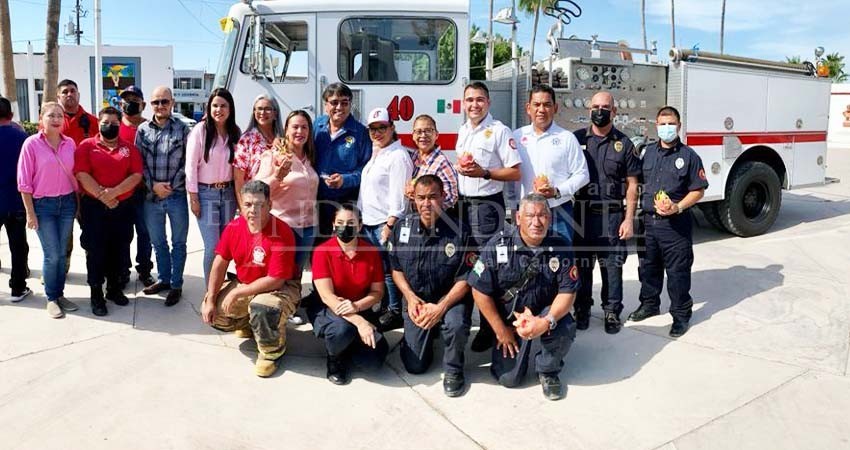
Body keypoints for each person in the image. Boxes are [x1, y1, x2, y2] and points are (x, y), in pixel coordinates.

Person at [468, 194, 579, 401]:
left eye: (542, 216)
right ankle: (508, 345)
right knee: (509, 379)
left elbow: (567, 291)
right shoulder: (499, 244)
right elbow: (479, 289)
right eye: (530, 216)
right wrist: (501, 331)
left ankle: (548, 370)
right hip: (509, 320)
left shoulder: (561, 245)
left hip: (544, 313)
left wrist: (545, 322)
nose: (536, 222)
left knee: (564, 326)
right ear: (518, 218)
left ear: (550, 218)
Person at [201, 180, 300, 378]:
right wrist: (211, 298)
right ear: (241, 205)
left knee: (263, 307)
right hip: (246, 282)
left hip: (279, 287)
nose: (252, 210)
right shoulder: (234, 227)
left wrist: (238, 292)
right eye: (247, 204)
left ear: (269, 205)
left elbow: (276, 279)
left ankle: (272, 351)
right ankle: (250, 325)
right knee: (216, 315)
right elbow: (220, 261)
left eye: (259, 205)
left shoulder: (281, 232)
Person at [390, 175, 472, 397]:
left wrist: (441, 307)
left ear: (443, 197)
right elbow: (396, 269)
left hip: (450, 299)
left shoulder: (461, 231)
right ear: (414, 199)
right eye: (421, 198)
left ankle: (454, 369)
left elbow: (466, 278)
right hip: (417, 299)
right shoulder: (402, 227)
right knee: (415, 366)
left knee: (455, 325)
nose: (427, 203)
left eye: (433, 197)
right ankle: (427, 332)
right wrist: (409, 297)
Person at [629, 106, 708, 338]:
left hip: (676, 226)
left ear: (679, 126)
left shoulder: (689, 157)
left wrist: (677, 207)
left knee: (678, 274)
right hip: (647, 224)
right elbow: (634, 181)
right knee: (648, 268)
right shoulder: (647, 153)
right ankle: (650, 304)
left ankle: (681, 315)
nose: (666, 128)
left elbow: (698, 190)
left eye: (671, 124)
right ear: (656, 125)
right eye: (662, 124)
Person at [455, 81, 521, 352]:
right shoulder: (463, 131)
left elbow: (515, 171)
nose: (474, 105)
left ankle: (488, 328)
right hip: (463, 205)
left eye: (479, 100)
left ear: (488, 103)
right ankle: (467, 321)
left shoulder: (499, 131)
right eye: (469, 100)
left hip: (487, 208)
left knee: (487, 266)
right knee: (467, 264)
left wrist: (485, 173)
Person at [571, 90, 639, 334]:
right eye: (595, 106)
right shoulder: (576, 139)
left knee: (612, 266)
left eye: (605, 107)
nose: (599, 111)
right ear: (589, 109)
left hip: (611, 215)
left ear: (614, 112)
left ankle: (611, 311)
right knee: (582, 265)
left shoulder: (624, 144)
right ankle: (582, 309)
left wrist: (629, 219)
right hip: (580, 214)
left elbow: (632, 184)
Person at [307, 203, 387, 385]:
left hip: (360, 306)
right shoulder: (322, 252)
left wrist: (357, 307)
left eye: (351, 223)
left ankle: (349, 344)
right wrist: (360, 322)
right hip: (328, 309)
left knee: (374, 362)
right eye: (340, 222)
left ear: (360, 225)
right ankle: (334, 357)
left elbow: (377, 292)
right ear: (334, 225)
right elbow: (327, 297)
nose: (345, 227)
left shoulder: (371, 252)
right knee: (343, 330)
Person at [74, 106, 143, 316]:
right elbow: (82, 174)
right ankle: (96, 294)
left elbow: (136, 175)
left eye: (114, 123)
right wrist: (103, 195)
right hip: (94, 208)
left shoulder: (129, 149)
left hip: (122, 208)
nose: (110, 126)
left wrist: (114, 193)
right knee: (95, 251)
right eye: (105, 123)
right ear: (99, 124)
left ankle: (113, 289)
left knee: (119, 249)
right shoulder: (86, 146)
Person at [17, 102, 79, 318]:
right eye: (51, 115)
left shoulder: (70, 143)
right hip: (43, 206)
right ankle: (51, 298)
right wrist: (30, 212)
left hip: (67, 204)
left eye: (60, 116)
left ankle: (59, 293)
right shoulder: (31, 144)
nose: (56, 119)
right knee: (52, 254)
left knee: (62, 254)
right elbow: (24, 182)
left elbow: (76, 174)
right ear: (41, 118)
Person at [358, 107, 414, 331]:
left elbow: (398, 195)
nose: (377, 132)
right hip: (370, 220)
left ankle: (395, 310)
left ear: (392, 128)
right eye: (373, 129)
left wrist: (391, 223)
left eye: (382, 127)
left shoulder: (398, 156)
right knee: (379, 268)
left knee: (390, 269)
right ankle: (384, 306)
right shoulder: (377, 152)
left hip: (385, 222)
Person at [514, 84, 589, 245]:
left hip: (559, 212)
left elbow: (583, 174)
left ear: (555, 108)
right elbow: (510, 172)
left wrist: (556, 191)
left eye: (547, 105)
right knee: (526, 261)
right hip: (527, 212)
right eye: (536, 104)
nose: (541, 109)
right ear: (528, 108)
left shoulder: (566, 138)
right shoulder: (517, 137)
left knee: (560, 261)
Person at [136, 86, 190, 306]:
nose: (160, 106)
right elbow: (137, 163)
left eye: (164, 102)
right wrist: (153, 186)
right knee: (158, 242)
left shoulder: (184, 129)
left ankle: (176, 284)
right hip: (151, 197)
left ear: (172, 103)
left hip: (176, 196)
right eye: (156, 102)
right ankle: (164, 279)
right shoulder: (142, 130)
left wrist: (169, 186)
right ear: (151, 105)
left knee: (179, 243)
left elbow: (188, 162)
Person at [186, 88, 241, 286]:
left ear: (230, 108)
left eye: (223, 106)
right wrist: (193, 198)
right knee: (212, 246)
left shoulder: (235, 132)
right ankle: (211, 291)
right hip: (206, 195)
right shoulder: (200, 131)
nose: (219, 109)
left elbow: (239, 167)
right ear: (209, 108)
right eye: (215, 105)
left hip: (228, 194)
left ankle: (220, 284)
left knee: (226, 246)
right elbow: (190, 167)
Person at [253, 109, 319, 275]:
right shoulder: (273, 156)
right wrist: (277, 176)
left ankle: (293, 302)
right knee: (278, 275)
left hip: (308, 227)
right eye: (295, 127)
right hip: (282, 227)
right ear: (286, 130)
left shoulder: (311, 157)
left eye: (304, 127)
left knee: (296, 276)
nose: (300, 131)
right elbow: (257, 190)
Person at [313, 83, 372, 238]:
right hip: (317, 200)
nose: (339, 107)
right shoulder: (316, 126)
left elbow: (365, 171)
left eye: (344, 103)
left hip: (345, 202)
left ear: (350, 105)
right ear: (326, 105)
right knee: (319, 249)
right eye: (334, 102)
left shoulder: (360, 133)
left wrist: (344, 180)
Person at [55, 79, 97, 273]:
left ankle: (96, 270)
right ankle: (61, 270)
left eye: (73, 91)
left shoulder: (92, 121)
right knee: (62, 237)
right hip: (60, 190)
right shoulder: (51, 122)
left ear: (78, 94)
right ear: (58, 96)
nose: (69, 95)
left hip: (87, 191)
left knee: (91, 235)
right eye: (65, 92)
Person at [118, 85, 155, 287]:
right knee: (123, 233)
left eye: (134, 99)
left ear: (143, 104)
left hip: (144, 192)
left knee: (145, 232)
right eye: (126, 99)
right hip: (121, 192)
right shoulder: (115, 125)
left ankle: (144, 270)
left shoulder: (150, 127)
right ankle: (123, 270)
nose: (130, 103)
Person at [0, 96, 31, 302]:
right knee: (18, 246)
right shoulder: (22, 137)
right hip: (15, 201)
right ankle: (18, 288)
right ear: (11, 115)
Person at [233, 94, 282, 207]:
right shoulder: (246, 140)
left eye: (267, 109)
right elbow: (238, 178)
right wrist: (243, 206)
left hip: (280, 203)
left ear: (275, 113)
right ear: (254, 113)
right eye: (259, 109)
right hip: (255, 202)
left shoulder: (282, 140)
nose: (262, 112)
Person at [406, 114, 459, 210]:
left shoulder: (442, 163)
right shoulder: (412, 158)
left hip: (432, 221)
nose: (423, 135)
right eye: (418, 131)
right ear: (413, 136)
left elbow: (451, 198)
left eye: (428, 131)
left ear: (436, 135)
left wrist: (426, 204)